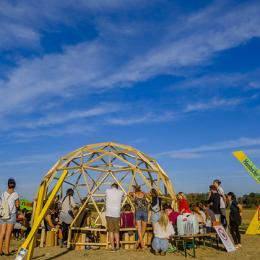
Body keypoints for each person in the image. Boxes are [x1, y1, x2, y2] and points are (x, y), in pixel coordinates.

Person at [0, 178, 19, 256]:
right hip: (11, 214)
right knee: (8, 233)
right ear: (14, 185)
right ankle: (7, 251)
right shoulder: (15, 194)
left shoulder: (3, 193)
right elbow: (17, 205)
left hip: (3, 214)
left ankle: (0, 251)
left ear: (8, 185)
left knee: (2, 233)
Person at [129, 185, 149, 249]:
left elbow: (129, 193)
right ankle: (142, 245)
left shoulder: (134, 194)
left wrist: (132, 194)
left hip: (138, 212)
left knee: (139, 230)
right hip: (145, 212)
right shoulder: (143, 193)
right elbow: (148, 194)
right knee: (143, 229)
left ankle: (139, 243)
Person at [105, 183, 123, 251]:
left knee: (110, 231)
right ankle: (118, 246)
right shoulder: (120, 192)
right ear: (117, 187)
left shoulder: (107, 190)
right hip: (117, 214)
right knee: (116, 231)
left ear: (112, 186)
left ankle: (113, 247)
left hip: (109, 213)